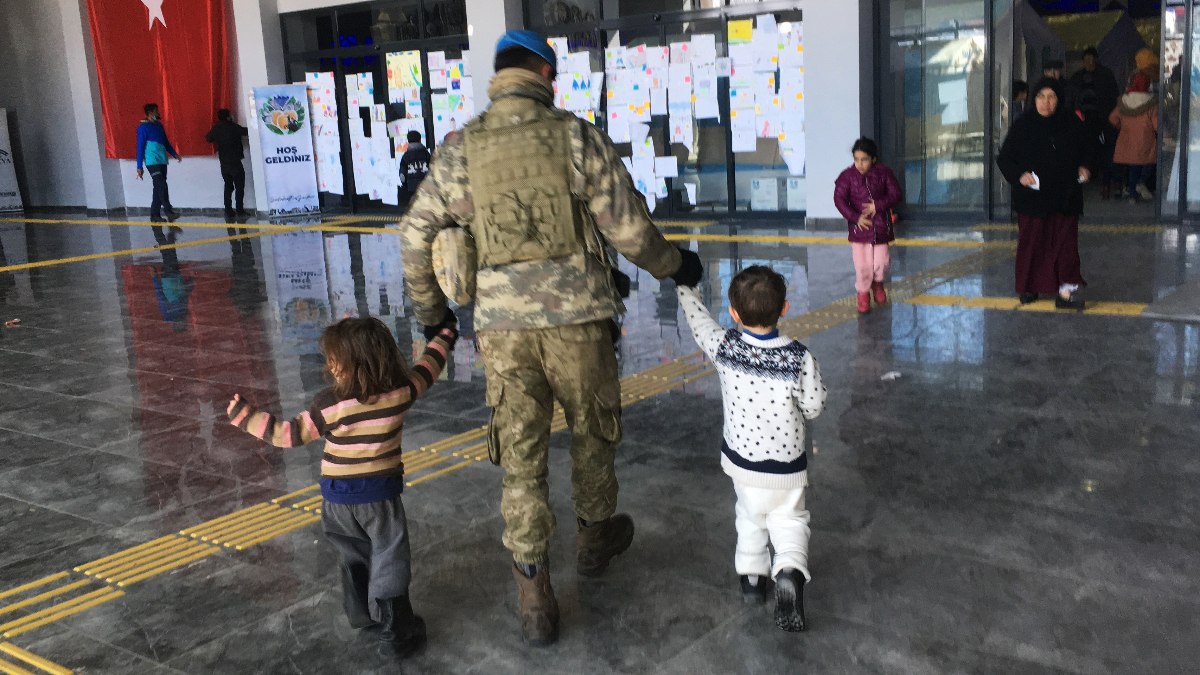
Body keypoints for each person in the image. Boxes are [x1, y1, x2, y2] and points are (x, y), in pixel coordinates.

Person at [398, 29, 703, 646]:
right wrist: (679, 267)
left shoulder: (460, 149)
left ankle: (534, 590)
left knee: (521, 454)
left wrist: (434, 317)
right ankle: (593, 538)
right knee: (593, 429)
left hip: (502, 329)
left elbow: (413, 237)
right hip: (580, 321)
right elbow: (628, 229)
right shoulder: (574, 135)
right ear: (543, 73)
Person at [226, 314, 459, 659]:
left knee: (354, 554)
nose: (329, 366)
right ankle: (397, 631)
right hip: (380, 500)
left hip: (336, 502)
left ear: (347, 364)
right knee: (389, 556)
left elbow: (287, 435)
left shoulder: (329, 404)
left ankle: (362, 613)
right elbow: (429, 366)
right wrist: (446, 335)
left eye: (333, 360)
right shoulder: (400, 392)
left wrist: (246, 417)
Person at [676, 265, 826, 632]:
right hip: (787, 469)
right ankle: (788, 570)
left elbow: (701, 326)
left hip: (743, 464)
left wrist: (686, 289)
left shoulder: (726, 347)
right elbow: (813, 406)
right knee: (789, 521)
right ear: (785, 308)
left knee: (749, 517)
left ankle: (753, 580)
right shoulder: (798, 357)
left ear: (734, 314)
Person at [996, 77, 1093, 309]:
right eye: (1040, 97)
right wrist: (1020, 175)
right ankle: (1029, 287)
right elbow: (1005, 158)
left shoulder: (1071, 122)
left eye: (1051, 97)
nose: (1046, 103)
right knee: (1032, 244)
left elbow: (1088, 150)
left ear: (1059, 100)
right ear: (1034, 99)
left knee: (1065, 246)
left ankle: (1066, 293)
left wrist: (1086, 167)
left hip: (1065, 196)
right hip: (1033, 199)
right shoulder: (1023, 125)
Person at [833, 137, 902, 315]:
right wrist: (855, 217)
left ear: (873, 159)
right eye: (856, 159)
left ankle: (877, 283)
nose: (860, 164)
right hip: (859, 230)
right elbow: (839, 199)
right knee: (862, 265)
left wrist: (877, 206)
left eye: (864, 159)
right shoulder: (847, 176)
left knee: (882, 262)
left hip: (880, 228)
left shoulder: (884, 173)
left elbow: (896, 194)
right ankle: (863, 293)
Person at [1068, 47, 1119, 196]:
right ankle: (1087, 176)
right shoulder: (1077, 77)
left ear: (1096, 60)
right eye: (1086, 60)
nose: (1089, 63)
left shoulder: (1106, 75)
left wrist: (1110, 117)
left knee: (1106, 151)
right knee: (1085, 149)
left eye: (1091, 59)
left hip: (1103, 120)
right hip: (1082, 120)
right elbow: (1071, 99)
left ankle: (1107, 183)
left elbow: (1113, 96)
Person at [1109, 76, 1158, 204]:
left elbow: (1112, 118)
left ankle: (1132, 194)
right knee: (1148, 164)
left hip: (1127, 139)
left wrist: (1121, 127)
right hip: (1145, 141)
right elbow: (1157, 125)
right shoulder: (1151, 103)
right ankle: (1139, 184)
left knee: (1133, 167)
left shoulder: (1124, 102)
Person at [136, 103, 182, 223]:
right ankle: (168, 210)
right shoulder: (143, 128)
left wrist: (174, 153)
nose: (158, 113)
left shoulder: (159, 126)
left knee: (158, 188)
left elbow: (165, 142)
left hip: (162, 160)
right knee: (161, 185)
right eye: (156, 111)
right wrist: (139, 166)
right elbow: (140, 147)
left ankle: (154, 215)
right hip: (152, 161)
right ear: (150, 113)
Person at [205, 109, 249, 222]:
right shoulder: (233, 126)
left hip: (224, 163)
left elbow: (208, 138)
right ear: (228, 117)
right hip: (235, 162)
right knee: (239, 186)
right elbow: (246, 132)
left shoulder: (217, 128)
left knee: (228, 186)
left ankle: (228, 210)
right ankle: (239, 209)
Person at [398, 130, 431, 205]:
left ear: (408, 141)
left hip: (411, 190)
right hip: (426, 188)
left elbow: (402, 176)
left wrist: (406, 186)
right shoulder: (426, 154)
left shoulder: (405, 156)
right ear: (420, 140)